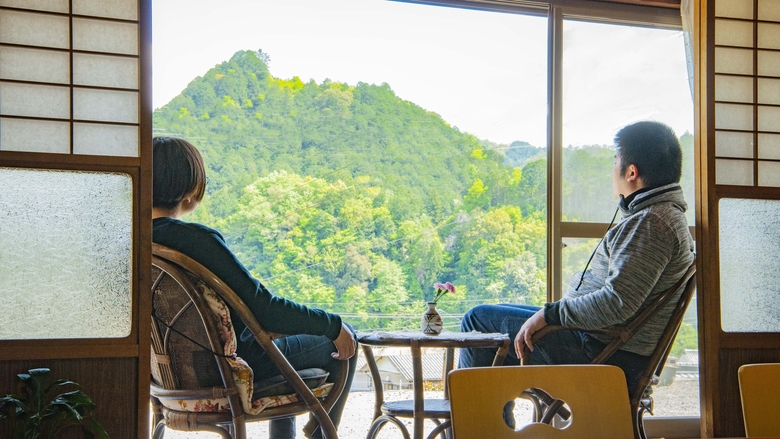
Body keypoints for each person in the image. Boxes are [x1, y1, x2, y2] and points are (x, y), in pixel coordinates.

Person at [460, 120, 695, 395]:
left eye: (615, 160)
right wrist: (550, 314)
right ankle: (488, 422)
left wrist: (550, 314)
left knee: (477, 321)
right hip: (602, 342)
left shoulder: (651, 224)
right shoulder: (659, 215)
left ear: (631, 172)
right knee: (495, 312)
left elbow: (616, 303)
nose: (612, 170)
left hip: (601, 353)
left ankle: (475, 422)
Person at [152, 136, 357, 439]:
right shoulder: (196, 241)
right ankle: (319, 430)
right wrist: (334, 325)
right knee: (346, 338)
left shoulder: (137, 240)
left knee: (283, 353)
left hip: (172, 376)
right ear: (191, 190)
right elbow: (264, 309)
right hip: (237, 367)